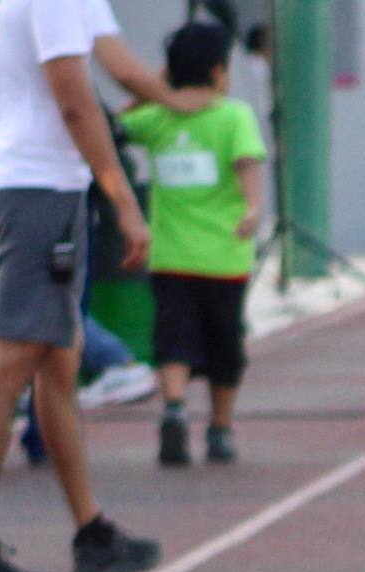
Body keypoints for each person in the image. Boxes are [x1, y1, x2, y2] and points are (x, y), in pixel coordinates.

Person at [0, 0, 164, 572]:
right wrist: (125, 200)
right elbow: (74, 101)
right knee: (11, 359)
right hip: (36, 187)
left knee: (59, 359)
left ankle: (92, 532)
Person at [120, 21, 265, 469]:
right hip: (225, 258)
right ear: (220, 72)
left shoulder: (156, 118)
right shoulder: (233, 115)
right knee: (225, 343)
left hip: (170, 258)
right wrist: (254, 208)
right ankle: (220, 428)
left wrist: (155, 87)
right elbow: (247, 162)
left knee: (173, 338)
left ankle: (176, 407)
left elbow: (112, 126)